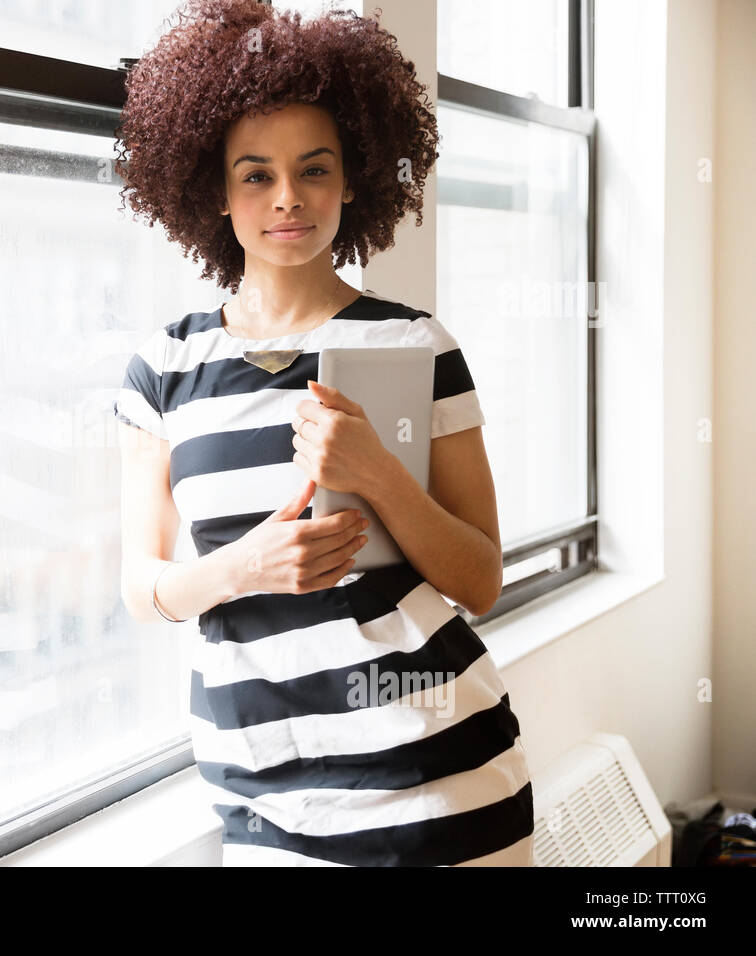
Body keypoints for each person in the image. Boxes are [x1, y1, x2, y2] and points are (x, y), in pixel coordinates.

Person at [112, 0, 534, 866]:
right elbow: (141, 587)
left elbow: (480, 578)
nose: (289, 198)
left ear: (353, 182)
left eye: (315, 169)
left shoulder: (416, 344)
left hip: (444, 784)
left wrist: (378, 474)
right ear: (214, 191)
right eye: (256, 174)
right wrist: (244, 568)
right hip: (265, 803)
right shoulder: (165, 366)